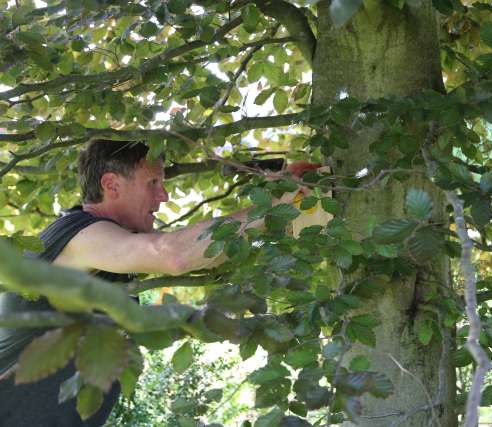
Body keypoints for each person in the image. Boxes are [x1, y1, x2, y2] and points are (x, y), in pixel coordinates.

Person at [0, 139, 309, 426]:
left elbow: (202, 252)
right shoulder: (80, 234)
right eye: (153, 183)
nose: (164, 196)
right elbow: (172, 254)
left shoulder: (108, 257)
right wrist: (271, 207)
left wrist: (277, 202)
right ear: (111, 184)